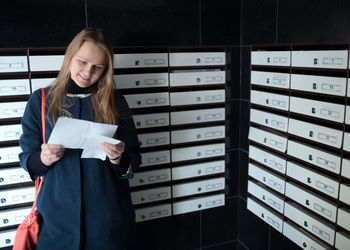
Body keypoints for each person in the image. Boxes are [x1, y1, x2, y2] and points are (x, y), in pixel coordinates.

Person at [19, 28, 141, 250]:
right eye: (82, 62)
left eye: (97, 67)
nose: (88, 72)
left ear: (106, 69)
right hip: (56, 224)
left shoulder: (116, 103)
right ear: (70, 57)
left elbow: (134, 160)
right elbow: (28, 160)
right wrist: (44, 159)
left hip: (108, 223)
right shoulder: (41, 101)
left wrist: (118, 158)